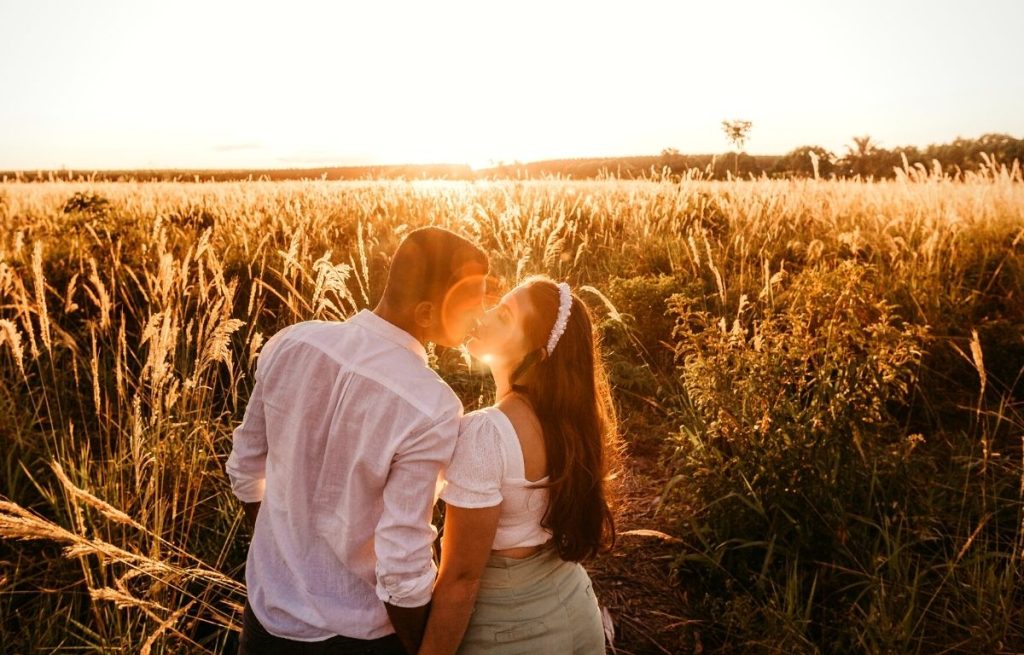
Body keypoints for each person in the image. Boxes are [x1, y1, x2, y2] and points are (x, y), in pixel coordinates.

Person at [226, 226, 489, 655]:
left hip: (264, 619)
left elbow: (243, 469)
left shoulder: (291, 342)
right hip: (358, 637)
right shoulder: (432, 406)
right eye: (468, 303)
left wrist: (290, 552)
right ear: (425, 313)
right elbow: (401, 563)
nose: (479, 315)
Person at [419, 275, 617, 655]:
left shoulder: (486, 432)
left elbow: (460, 578)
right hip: (577, 612)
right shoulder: (569, 423)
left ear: (537, 353)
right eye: (497, 305)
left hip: (509, 634)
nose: (485, 314)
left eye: (504, 317)